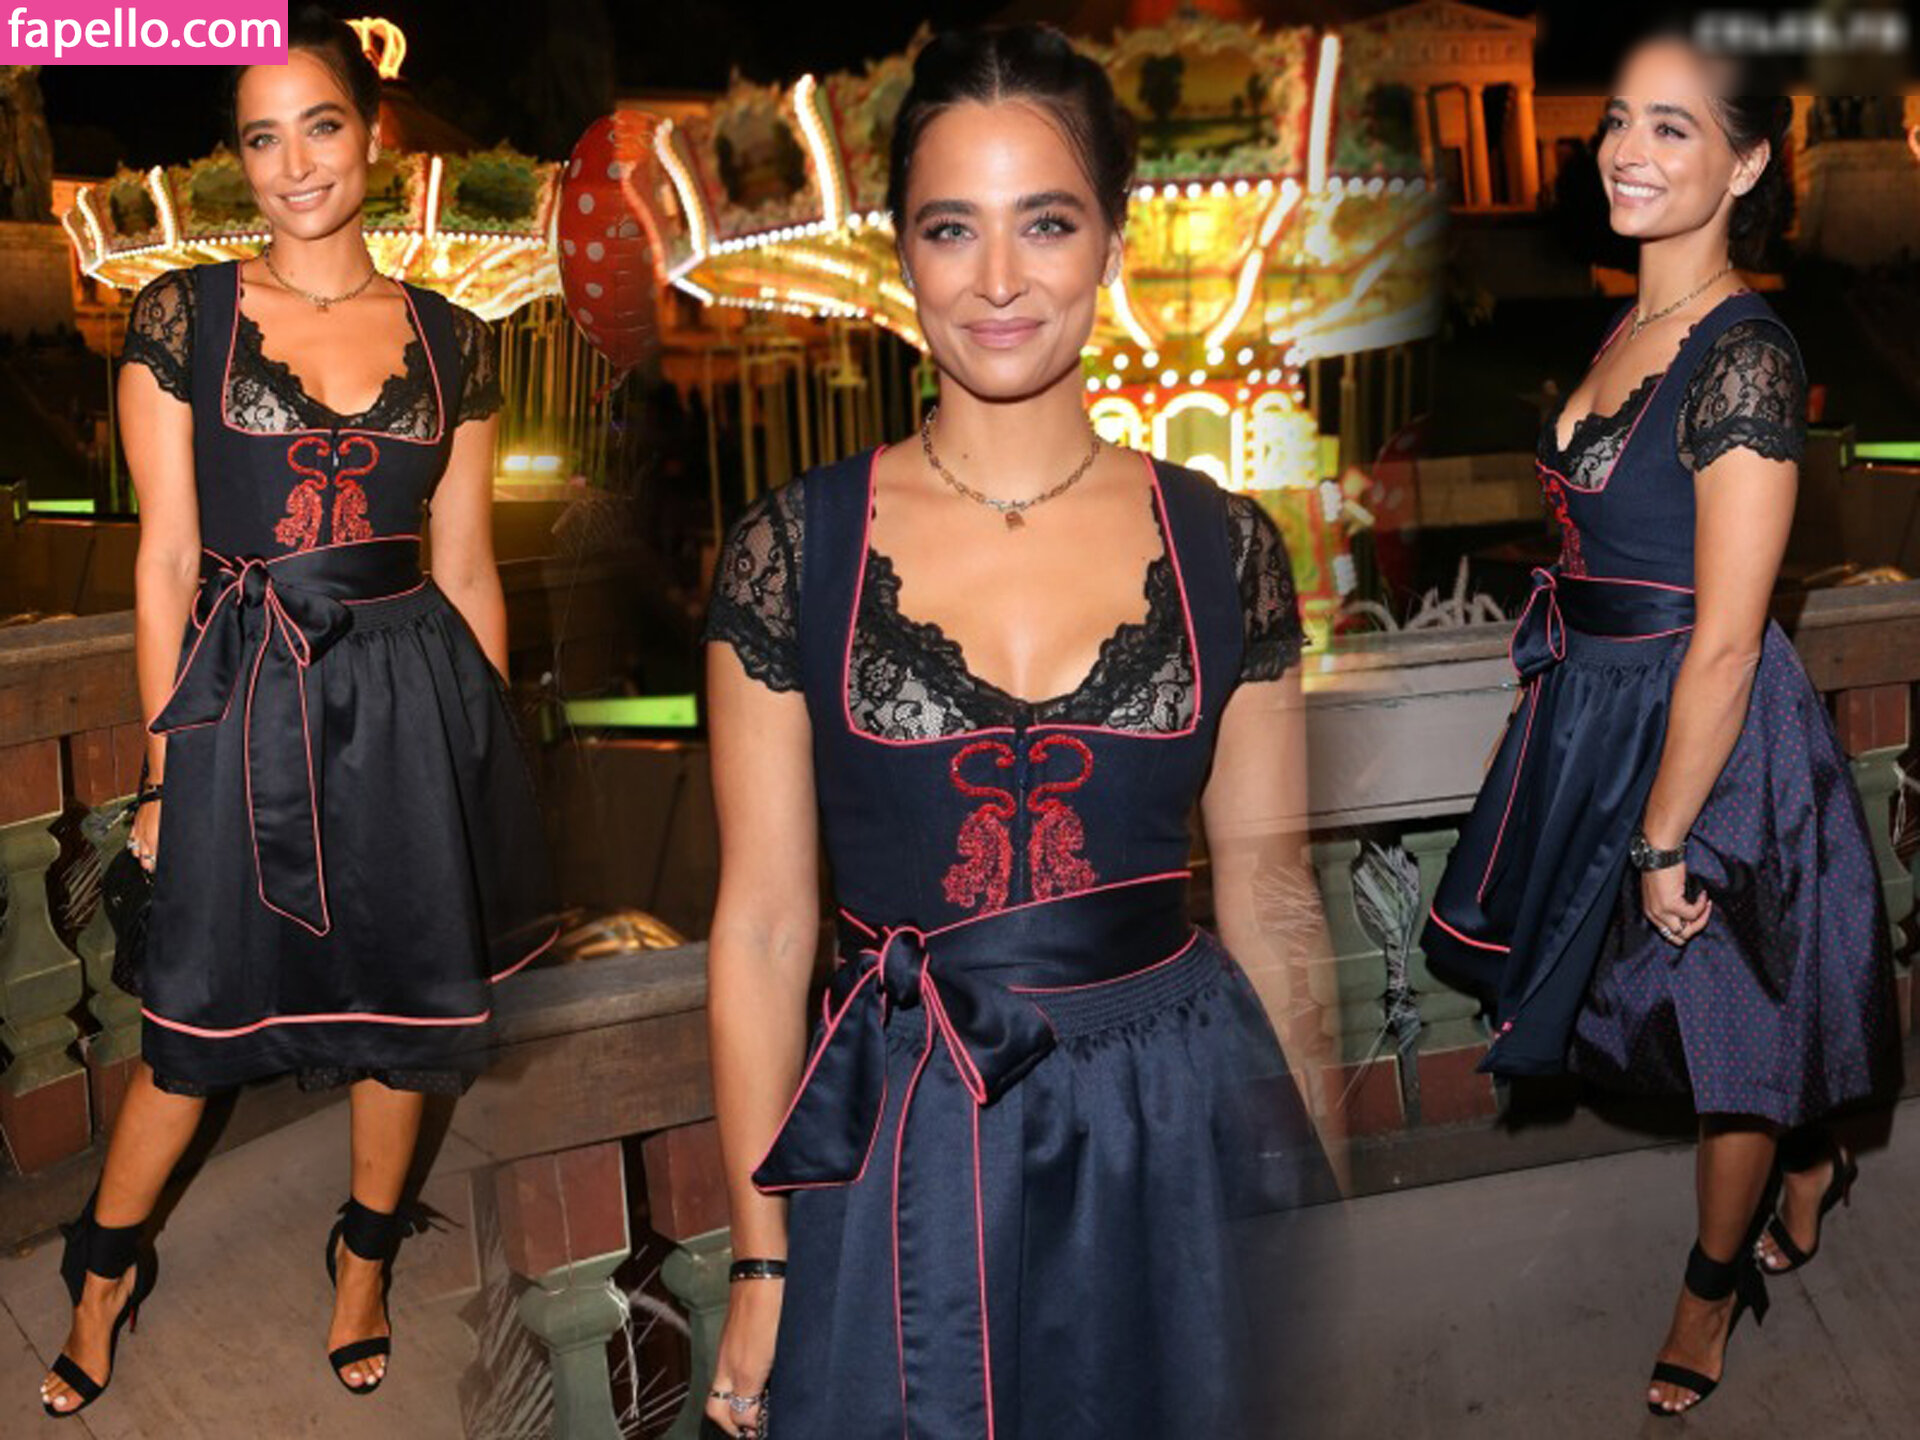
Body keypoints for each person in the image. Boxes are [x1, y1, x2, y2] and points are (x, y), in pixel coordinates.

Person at [697, 23, 1336, 1440]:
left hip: (1176, 1132)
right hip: (902, 1137)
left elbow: (1274, 897)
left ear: (1112, 239)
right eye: (952, 228)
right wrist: (760, 1258)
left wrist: (1313, 1210)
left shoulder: (1229, 545)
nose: (998, 280)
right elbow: (762, 932)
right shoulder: (792, 550)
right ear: (901, 256)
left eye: (1045, 223)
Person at [38, 10, 554, 1417]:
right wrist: (165, 772)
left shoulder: (458, 340)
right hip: (242, 693)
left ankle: (364, 1263)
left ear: (372, 136)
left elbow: (466, 568)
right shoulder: (183, 318)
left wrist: (479, 760)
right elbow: (163, 563)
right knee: (193, 1025)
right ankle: (102, 1273)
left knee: (408, 1013)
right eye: (261, 138)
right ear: (241, 159)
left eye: (319, 126)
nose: (294, 163)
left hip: (412, 701)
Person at [1423, 27, 1900, 1420]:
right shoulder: (1629, 326)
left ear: (1746, 165)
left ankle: (1708, 1290)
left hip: (1714, 733)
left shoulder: (1747, 356)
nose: (1628, 149)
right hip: (1601, 708)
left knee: (1730, 1031)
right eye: (1621, 119)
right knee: (1656, 1014)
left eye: (1674, 127)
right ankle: (1810, 1156)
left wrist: (1662, 838)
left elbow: (1732, 635)